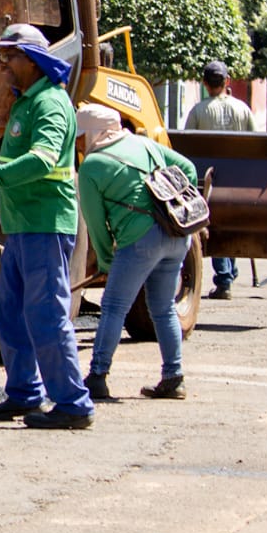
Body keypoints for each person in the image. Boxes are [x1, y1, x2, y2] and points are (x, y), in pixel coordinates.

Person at [0, 24, 94, 430]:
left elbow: (43, 161)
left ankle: (73, 402)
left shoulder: (50, 103)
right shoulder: (24, 103)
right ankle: (24, 392)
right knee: (11, 312)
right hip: (22, 224)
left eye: (9, 57)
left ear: (32, 61)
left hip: (45, 225)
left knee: (46, 313)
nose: (1, 65)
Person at [74, 103, 198, 401]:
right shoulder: (143, 143)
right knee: (163, 306)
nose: (78, 143)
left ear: (93, 132)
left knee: (114, 306)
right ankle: (173, 378)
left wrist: (105, 260)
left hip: (139, 241)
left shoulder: (92, 165)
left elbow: (95, 223)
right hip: (176, 234)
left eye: (80, 137)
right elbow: (190, 169)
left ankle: (98, 376)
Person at [183, 59, 254, 300]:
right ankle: (227, 275)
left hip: (208, 179)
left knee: (213, 223)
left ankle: (225, 277)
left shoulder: (198, 111)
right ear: (227, 82)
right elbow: (255, 142)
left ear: (204, 83)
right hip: (237, 178)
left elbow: (187, 146)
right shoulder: (243, 109)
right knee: (228, 220)